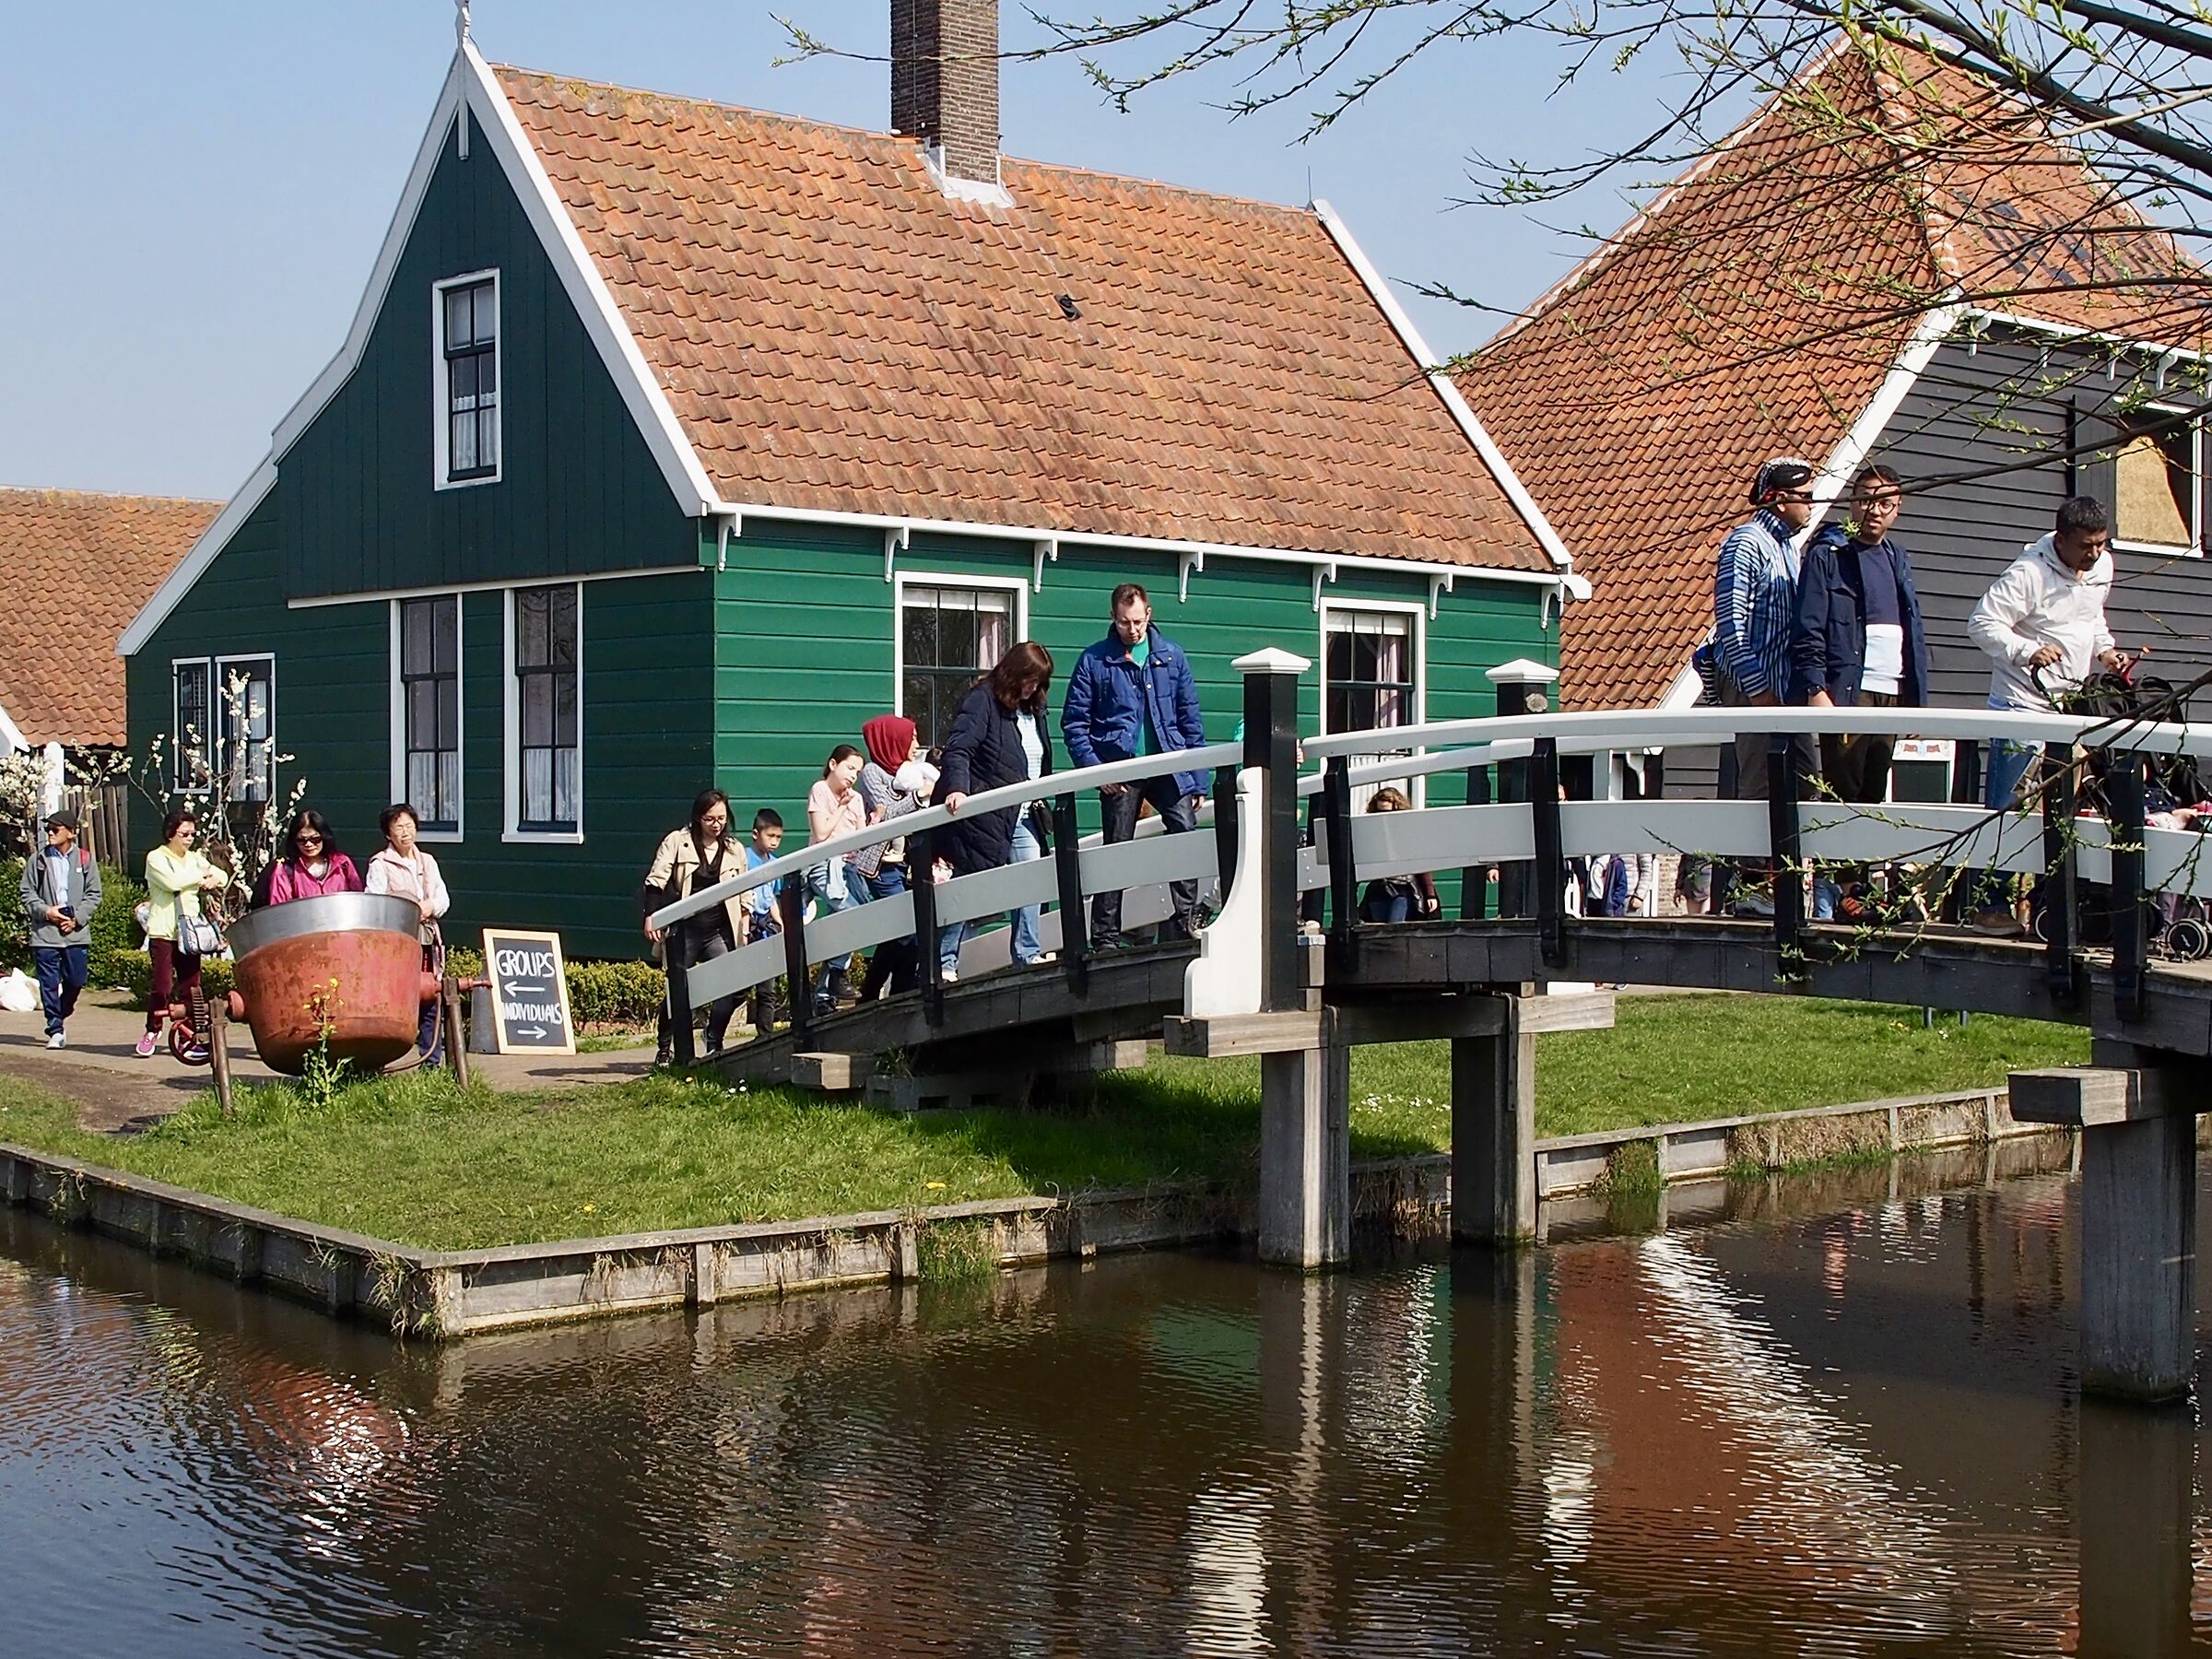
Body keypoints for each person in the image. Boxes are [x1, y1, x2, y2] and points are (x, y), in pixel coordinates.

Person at [1965, 495, 2134, 935]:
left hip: (2069, 710)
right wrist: (2026, 651)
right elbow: (1981, 622)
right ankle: (1988, 908)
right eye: (2085, 545)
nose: (2094, 554)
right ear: (2061, 538)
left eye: (2101, 543)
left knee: (2061, 813)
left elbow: (2091, 619)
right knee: (2006, 809)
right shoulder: (2028, 574)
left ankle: (2045, 907)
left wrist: (2107, 652)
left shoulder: (2101, 568)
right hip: (2021, 706)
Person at [1061, 582, 1207, 947]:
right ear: (1114, 619)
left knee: (1184, 831)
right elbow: (1074, 723)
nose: (1134, 629)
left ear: (1149, 615)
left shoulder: (1172, 656)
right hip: (1120, 769)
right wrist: (1097, 770)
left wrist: (1198, 781)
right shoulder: (1094, 661)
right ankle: (1106, 936)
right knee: (1117, 849)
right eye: (1126, 623)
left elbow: (1190, 719)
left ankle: (1184, 921)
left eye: (1139, 621)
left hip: (1168, 763)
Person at [1714, 455, 1822, 916]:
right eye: (1806, 497)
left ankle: (1788, 880)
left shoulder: (1790, 550)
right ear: (1779, 500)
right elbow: (1731, 625)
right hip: (1755, 688)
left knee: (1808, 779)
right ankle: (1752, 886)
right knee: (1758, 784)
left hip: (1788, 691)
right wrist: (1758, 689)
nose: (1813, 506)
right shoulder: (1746, 544)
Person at [1791, 464, 1931, 804]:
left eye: (1885, 503)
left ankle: (1865, 860)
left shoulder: (1897, 558)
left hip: (1892, 692)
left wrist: (1916, 700)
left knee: (1873, 792)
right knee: (1844, 791)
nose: (1875, 511)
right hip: (1849, 690)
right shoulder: (1830, 554)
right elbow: (1808, 626)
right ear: (1852, 502)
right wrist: (1816, 689)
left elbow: (1912, 630)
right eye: (1867, 500)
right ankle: (1837, 859)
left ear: (1898, 509)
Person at [940, 641, 1057, 981]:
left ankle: (1027, 952)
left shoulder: (1035, 707)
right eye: (1030, 680)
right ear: (1015, 672)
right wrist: (958, 788)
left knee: (1030, 878)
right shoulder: (983, 701)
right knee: (970, 884)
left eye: (1039, 682)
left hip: (1024, 813)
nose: (1034, 688)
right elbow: (959, 748)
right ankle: (944, 962)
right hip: (987, 813)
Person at [642, 788, 749, 1064]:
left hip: (719, 928)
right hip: (685, 930)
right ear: (698, 817)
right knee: (677, 988)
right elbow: (656, 880)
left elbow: (746, 890)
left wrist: (745, 926)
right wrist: (652, 916)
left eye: (722, 819)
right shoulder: (678, 842)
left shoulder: (734, 849)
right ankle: (665, 1047)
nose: (716, 825)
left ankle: (714, 1039)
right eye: (710, 819)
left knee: (734, 985)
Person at [138, 806, 225, 1060]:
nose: (189, 839)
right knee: (163, 986)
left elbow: (220, 874)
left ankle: (193, 1034)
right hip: (164, 931)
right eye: (184, 834)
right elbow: (171, 882)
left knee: (192, 988)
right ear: (171, 834)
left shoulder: (194, 858)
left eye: (192, 834)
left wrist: (211, 879)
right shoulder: (156, 858)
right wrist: (201, 876)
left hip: (191, 933)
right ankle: (152, 1029)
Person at [366, 804, 452, 1056]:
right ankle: (382, 1058)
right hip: (397, 944)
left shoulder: (428, 861)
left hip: (427, 940)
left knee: (430, 997)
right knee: (397, 999)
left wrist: (429, 906)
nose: (405, 832)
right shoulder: (380, 864)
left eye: (409, 826)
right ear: (388, 834)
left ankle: (431, 1061)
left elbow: (443, 899)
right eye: (398, 828)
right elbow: (374, 903)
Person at [853, 715, 925, 1000]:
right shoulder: (873, 772)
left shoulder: (910, 771)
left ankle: (896, 992)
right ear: (893, 740)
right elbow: (889, 814)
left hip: (909, 862)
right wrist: (919, 796)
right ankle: (877, 991)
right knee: (904, 928)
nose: (916, 744)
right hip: (883, 866)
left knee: (909, 929)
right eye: (912, 738)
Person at [21, 809, 100, 1050]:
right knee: (48, 982)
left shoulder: (85, 859)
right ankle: (54, 1028)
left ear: (72, 833)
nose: (50, 833)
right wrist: (46, 911)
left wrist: (76, 918)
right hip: (46, 932)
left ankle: (62, 1010)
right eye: (48, 829)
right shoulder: (39, 860)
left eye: (55, 829)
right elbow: (27, 893)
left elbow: (94, 894)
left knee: (76, 979)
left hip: (75, 932)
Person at [805, 745, 870, 1015]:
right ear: (833, 764)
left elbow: (861, 835)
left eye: (858, 771)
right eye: (850, 768)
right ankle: (835, 977)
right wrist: (842, 807)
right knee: (852, 916)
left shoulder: (856, 798)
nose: (853, 776)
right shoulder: (820, 789)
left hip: (849, 868)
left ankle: (822, 995)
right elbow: (821, 834)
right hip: (824, 865)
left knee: (849, 922)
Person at [1356, 787, 1441, 923]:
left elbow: (1421, 863)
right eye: (1378, 812)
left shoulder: (1408, 833)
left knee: (1395, 926)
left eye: (1387, 812)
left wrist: (1430, 895)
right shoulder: (1372, 832)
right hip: (1378, 888)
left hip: (1402, 888)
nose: (1383, 816)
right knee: (1377, 931)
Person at [742, 808, 787, 1031]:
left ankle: (764, 1036)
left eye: (778, 837)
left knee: (768, 989)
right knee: (740, 988)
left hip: (766, 928)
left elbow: (771, 898)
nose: (775, 841)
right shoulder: (744, 858)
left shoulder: (774, 864)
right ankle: (714, 1034)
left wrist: (780, 924)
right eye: (770, 836)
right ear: (755, 834)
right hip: (748, 926)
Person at [265, 809, 366, 904]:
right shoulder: (285, 871)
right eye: (302, 840)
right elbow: (279, 911)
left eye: (315, 839)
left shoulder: (343, 864)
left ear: (324, 837)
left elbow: (358, 902)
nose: (309, 844)